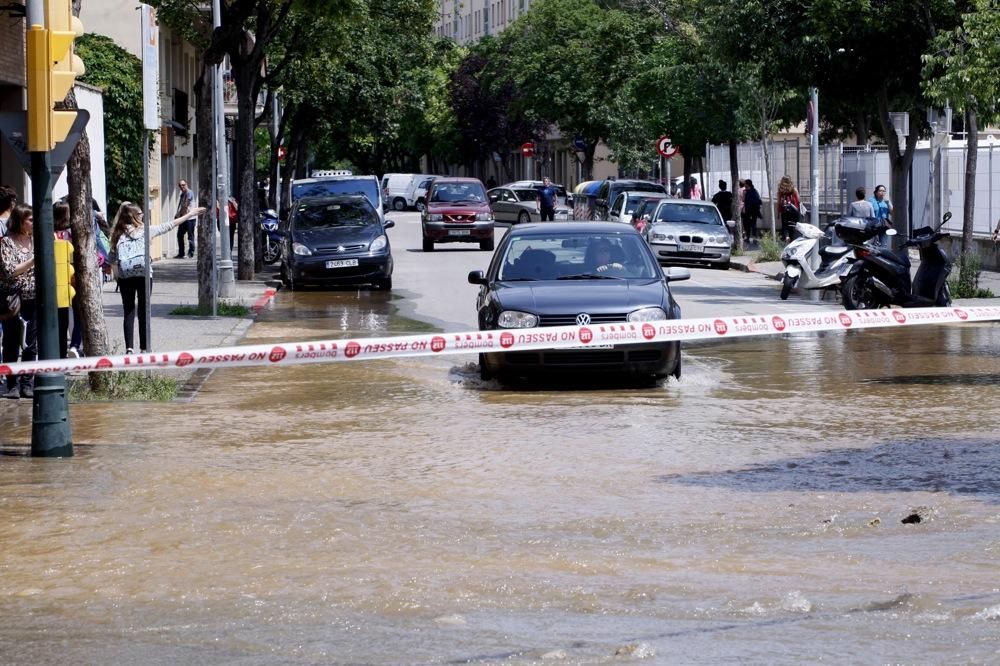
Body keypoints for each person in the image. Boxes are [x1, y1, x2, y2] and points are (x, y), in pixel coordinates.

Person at [111, 201, 205, 354]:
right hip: (144, 274)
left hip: (125, 277)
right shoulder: (146, 231)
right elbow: (169, 225)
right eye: (141, 214)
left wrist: (117, 276)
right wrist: (190, 214)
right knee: (143, 310)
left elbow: (112, 258)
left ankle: (129, 348)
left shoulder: (118, 234)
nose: (143, 216)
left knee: (128, 311)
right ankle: (144, 347)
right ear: (135, 217)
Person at [0, 205, 37, 398]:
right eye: (30, 220)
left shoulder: (35, 241)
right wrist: (32, 261)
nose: (33, 223)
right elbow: (9, 270)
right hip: (12, 299)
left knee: (31, 344)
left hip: (33, 298)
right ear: (20, 221)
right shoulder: (6, 242)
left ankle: (27, 384)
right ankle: (12, 385)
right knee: (11, 342)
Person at [174, 179, 196, 258]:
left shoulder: (189, 192)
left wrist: (179, 214)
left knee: (190, 236)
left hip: (190, 218)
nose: (182, 186)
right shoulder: (182, 194)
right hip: (184, 218)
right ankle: (181, 253)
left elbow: (185, 205)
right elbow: (181, 206)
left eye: (183, 185)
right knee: (179, 235)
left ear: (186, 184)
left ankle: (191, 253)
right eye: (180, 185)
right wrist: (178, 214)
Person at [776, 175, 801, 241]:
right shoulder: (794, 189)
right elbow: (798, 200)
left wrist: (778, 210)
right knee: (793, 225)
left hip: (784, 210)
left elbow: (778, 202)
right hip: (794, 210)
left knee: (785, 225)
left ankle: (787, 236)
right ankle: (792, 239)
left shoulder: (780, 190)